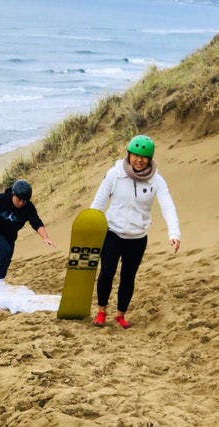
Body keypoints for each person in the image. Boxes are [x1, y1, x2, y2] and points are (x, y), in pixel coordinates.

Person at [90, 135, 181, 329]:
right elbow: (99, 202)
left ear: (150, 159)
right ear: (129, 154)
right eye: (135, 155)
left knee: (128, 276)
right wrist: (89, 224)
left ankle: (121, 314)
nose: (139, 160)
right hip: (112, 232)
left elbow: (168, 206)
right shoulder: (115, 174)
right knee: (107, 272)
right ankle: (101, 311)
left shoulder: (156, 180)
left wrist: (174, 233)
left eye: (144, 157)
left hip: (137, 237)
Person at [0, 179, 55, 286]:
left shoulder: (28, 207)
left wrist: (46, 237)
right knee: (5, 250)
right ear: (13, 194)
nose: (21, 203)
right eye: (19, 199)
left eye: (24, 201)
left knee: (8, 257)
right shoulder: (1, 199)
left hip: (10, 235)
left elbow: (36, 222)